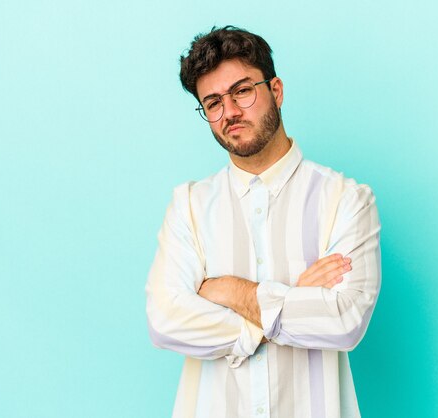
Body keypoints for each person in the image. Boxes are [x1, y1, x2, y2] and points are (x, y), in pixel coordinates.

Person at [146, 25, 381, 418]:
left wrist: (232, 292)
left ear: (276, 90)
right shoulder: (188, 205)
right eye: (213, 102)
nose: (230, 112)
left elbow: (344, 320)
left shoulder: (345, 199)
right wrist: (293, 298)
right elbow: (166, 321)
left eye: (242, 90)